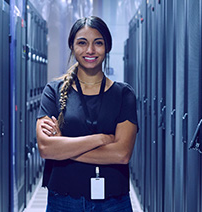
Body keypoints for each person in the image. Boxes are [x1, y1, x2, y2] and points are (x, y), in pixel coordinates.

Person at [36, 16, 138, 212]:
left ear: (107, 47)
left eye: (98, 43)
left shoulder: (124, 94)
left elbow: (122, 154)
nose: (90, 50)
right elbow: (46, 149)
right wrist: (100, 139)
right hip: (63, 200)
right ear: (72, 47)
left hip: (113, 202)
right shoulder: (53, 91)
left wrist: (64, 148)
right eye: (82, 43)